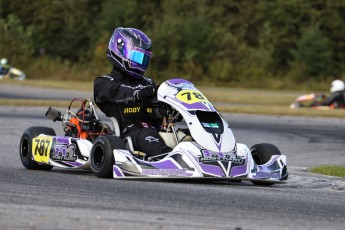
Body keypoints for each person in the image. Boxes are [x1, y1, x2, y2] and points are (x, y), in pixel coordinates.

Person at [94, 27, 172, 160]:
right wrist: (137, 93)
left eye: (144, 59)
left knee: (185, 134)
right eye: (137, 57)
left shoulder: (149, 83)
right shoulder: (105, 83)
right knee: (148, 135)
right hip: (130, 133)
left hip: (157, 129)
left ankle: (206, 157)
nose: (141, 63)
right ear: (120, 52)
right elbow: (119, 92)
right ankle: (170, 159)